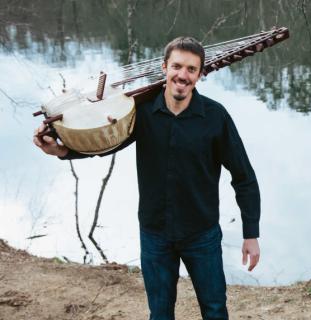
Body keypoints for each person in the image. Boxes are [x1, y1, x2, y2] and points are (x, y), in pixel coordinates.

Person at [33, 37, 261, 320]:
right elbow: (105, 145)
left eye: (191, 69)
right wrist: (62, 151)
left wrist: (251, 233)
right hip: (155, 234)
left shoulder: (216, 117)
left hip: (201, 235)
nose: (183, 75)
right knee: (160, 313)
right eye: (177, 66)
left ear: (200, 74)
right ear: (164, 68)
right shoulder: (140, 111)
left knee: (215, 310)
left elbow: (244, 177)